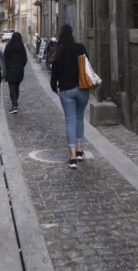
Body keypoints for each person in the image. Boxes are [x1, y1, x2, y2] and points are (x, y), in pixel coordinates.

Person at [49, 24, 89, 169]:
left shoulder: (58, 53)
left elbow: (54, 77)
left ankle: (72, 158)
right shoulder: (80, 48)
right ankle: (79, 150)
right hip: (82, 89)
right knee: (79, 118)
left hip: (66, 91)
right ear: (72, 34)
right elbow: (87, 66)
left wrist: (55, 88)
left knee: (70, 122)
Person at [2, 31, 28, 114]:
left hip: (10, 69)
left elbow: (5, 58)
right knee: (17, 86)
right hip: (19, 70)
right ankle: (15, 101)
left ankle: (14, 104)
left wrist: (6, 68)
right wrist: (21, 66)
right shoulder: (22, 47)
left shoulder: (9, 46)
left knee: (12, 87)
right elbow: (25, 59)